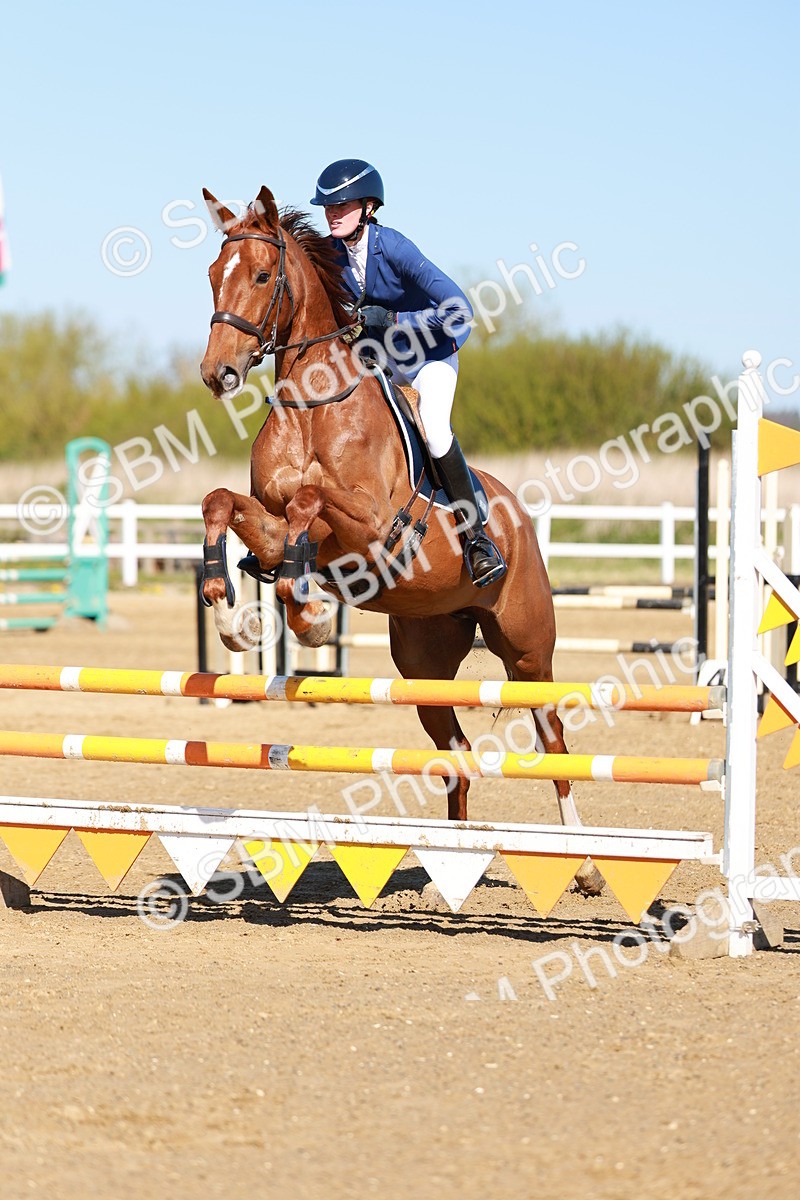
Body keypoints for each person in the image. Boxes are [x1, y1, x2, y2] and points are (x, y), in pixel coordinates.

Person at [310, 158, 507, 589]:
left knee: (434, 431)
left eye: (342, 205)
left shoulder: (394, 247)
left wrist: (399, 322)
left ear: (368, 208)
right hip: (381, 361)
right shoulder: (333, 256)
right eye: (328, 206)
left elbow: (459, 311)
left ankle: (478, 539)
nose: (332, 213)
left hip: (430, 358)